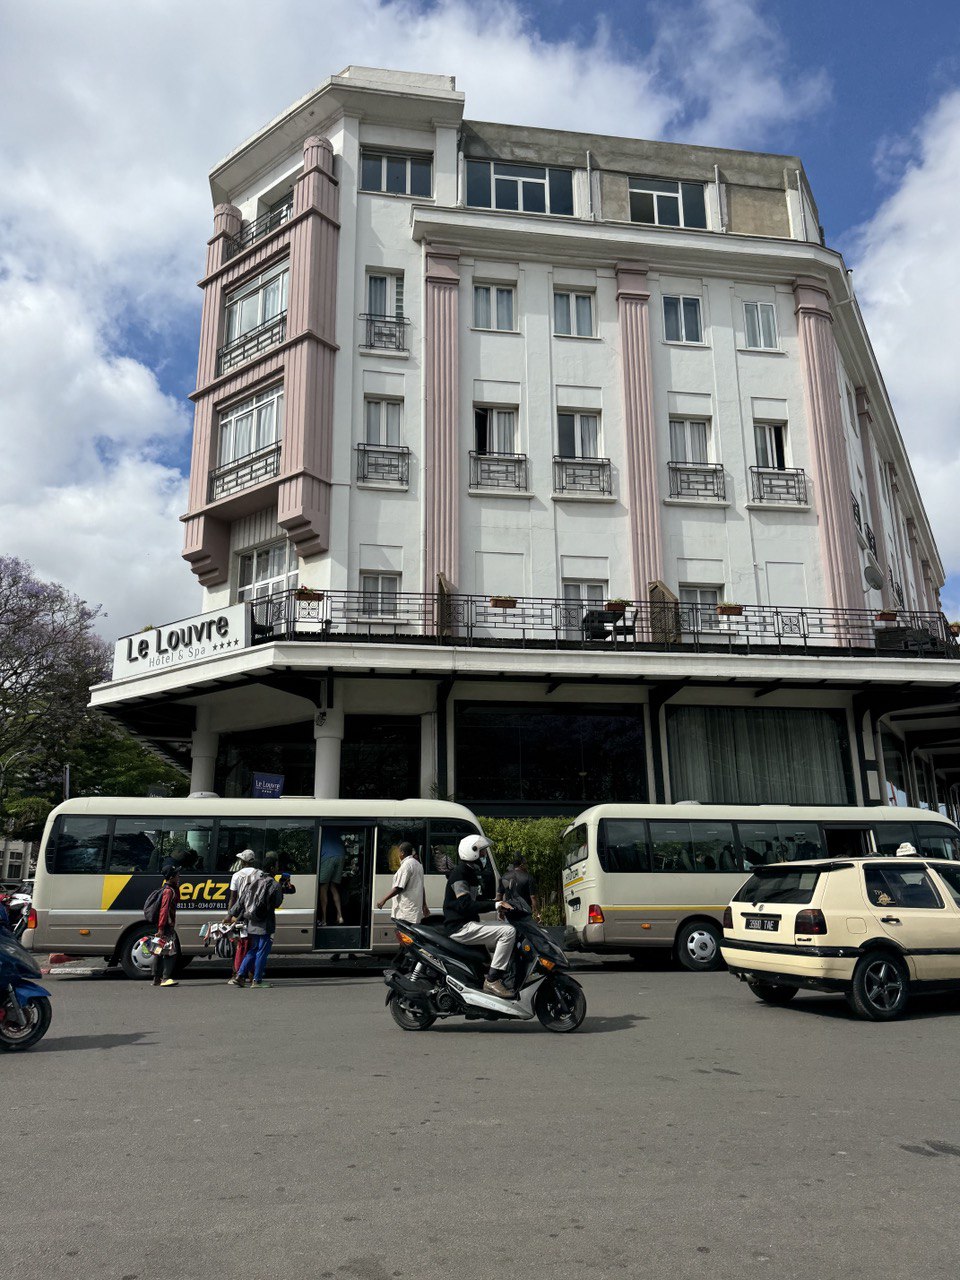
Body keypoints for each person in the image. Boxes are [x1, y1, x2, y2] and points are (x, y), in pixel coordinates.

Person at [441, 834, 515, 999]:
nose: (484, 855)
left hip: (467, 924)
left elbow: (477, 900)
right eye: (482, 852)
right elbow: (465, 905)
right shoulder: (460, 874)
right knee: (508, 932)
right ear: (472, 852)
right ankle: (492, 980)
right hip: (460, 927)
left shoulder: (470, 872)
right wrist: (495, 905)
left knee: (488, 957)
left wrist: (498, 905)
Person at [230, 868, 296, 989]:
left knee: (253, 949)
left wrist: (230, 915)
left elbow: (240, 902)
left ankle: (240, 976)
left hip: (252, 922)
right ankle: (257, 980)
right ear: (273, 870)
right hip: (266, 923)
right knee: (262, 951)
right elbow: (277, 903)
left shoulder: (253, 882)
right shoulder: (275, 885)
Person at [227, 849, 258, 987]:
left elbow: (233, 898)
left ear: (242, 861)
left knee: (240, 944)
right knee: (253, 944)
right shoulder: (260, 874)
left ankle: (237, 974)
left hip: (240, 914)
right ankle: (252, 975)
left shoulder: (236, 875)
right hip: (255, 914)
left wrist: (230, 915)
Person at [377, 842, 429, 925]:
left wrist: (383, 900)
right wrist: (424, 905)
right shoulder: (418, 864)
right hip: (413, 910)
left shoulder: (406, 865)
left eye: (398, 852)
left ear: (402, 853)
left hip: (406, 911)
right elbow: (421, 887)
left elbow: (399, 887)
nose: (397, 855)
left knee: (405, 932)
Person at [153, 863, 180, 988]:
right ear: (171, 877)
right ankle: (165, 978)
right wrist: (161, 928)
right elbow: (164, 910)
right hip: (166, 926)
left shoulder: (169, 889)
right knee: (170, 951)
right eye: (177, 875)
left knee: (159, 950)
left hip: (164, 926)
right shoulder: (168, 891)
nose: (179, 877)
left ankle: (156, 978)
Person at [499, 854, 540, 920]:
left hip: (509, 913)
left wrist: (500, 912)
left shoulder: (504, 876)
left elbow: (499, 896)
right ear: (521, 865)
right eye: (526, 864)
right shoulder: (528, 877)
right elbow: (533, 897)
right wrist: (537, 914)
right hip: (524, 913)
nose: (527, 866)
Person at [319, 829, 345, 926]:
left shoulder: (323, 830)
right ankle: (340, 916)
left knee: (323, 888)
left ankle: (324, 919)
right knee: (333, 887)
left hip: (327, 856)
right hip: (341, 854)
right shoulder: (335, 830)